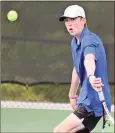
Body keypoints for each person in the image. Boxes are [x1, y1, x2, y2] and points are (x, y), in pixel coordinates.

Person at [53, 4, 112, 133]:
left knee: (59, 131)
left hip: (94, 102)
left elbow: (89, 59)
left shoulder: (90, 39)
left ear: (83, 21)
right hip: (86, 100)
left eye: (73, 19)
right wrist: (72, 95)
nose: (69, 24)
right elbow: (77, 69)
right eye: (67, 20)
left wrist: (91, 76)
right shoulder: (74, 42)